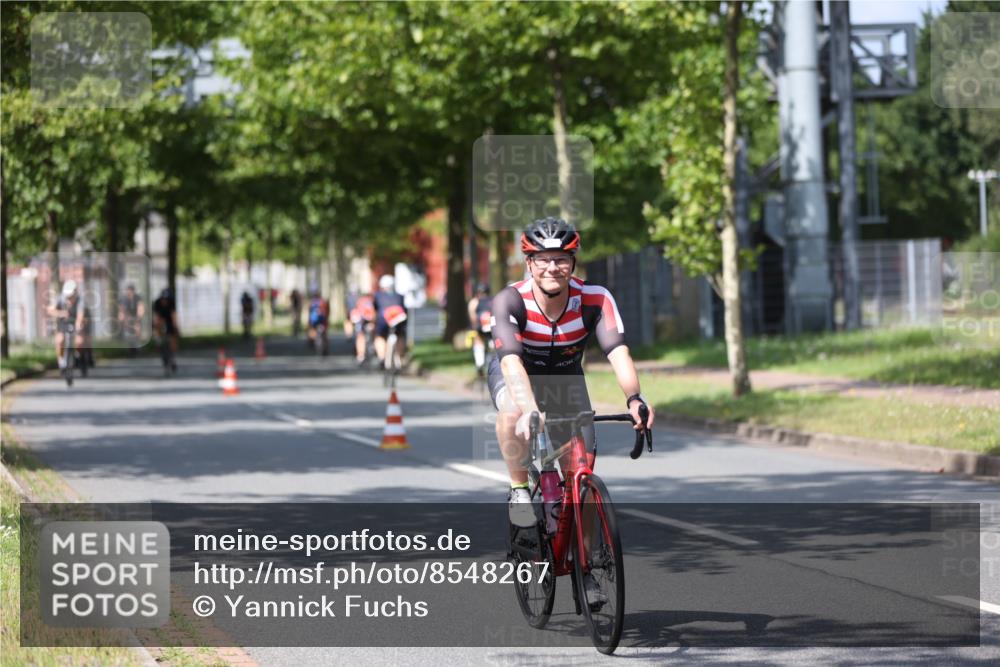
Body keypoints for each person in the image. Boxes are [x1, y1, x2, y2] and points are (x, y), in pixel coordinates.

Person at [489, 218, 655, 603]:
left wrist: (634, 398)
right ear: (529, 264)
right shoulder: (510, 300)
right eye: (543, 260)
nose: (552, 268)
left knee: (580, 479)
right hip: (517, 374)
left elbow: (618, 352)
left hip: (566, 380)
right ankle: (518, 492)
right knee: (514, 411)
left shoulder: (595, 298)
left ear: (573, 262)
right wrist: (530, 407)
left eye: (561, 259)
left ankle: (586, 569)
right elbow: (512, 364)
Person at [47, 280, 85, 374]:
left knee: (79, 342)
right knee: (60, 341)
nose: (69, 298)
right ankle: (61, 362)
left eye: (71, 296)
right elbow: (50, 310)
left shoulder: (80, 300)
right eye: (68, 296)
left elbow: (80, 315)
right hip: (63, 324)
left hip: (75, 323)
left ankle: (78, 357)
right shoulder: (60, 298)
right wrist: (61, 313)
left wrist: (78, 324)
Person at [373, 274, 407, 366]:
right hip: (398, 320)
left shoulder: (378, 295)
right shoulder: (400, 296)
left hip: (383, 320)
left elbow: (375, 309)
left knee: (379, 337)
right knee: (400, 335)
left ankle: (382, 357)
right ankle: (400, 357)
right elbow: (405, 311)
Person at [467, 282, 494, 378]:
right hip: (491, 326)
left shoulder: (475, 301)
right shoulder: (493, 300)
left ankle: (480, 363)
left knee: (478, 341)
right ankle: (493, 359)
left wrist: (474, 326)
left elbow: (472, 315)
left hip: (480, 326)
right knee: (492, 342)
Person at [152, 287, 179, 372]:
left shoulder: (172, 302)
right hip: (160, 319)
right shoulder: (157, 303)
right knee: (157, 332)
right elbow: (156, 316)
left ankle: (173, 358)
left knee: (172, 337)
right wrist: (156, 327)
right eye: (163, 299)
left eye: (166, 299)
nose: (165, 301)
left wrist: (175, 326)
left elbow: (173, 315)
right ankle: (158, 343)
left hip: (169, 320)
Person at [350, 292, 376, 366]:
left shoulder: (359, 301)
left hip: (360, 322)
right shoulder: (371, 301)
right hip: (369, 321)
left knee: (360, 337)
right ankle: (372, 349)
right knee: (371, 335)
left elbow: (354, 314)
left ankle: (360, 356)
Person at [118, 283, 145, 356]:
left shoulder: (137, 298)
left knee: (137, 330)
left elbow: (141, 308)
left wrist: (138, 318)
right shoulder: (124, 298)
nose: (130, 292)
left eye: (131, 290)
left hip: (135, 316)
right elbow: (122, 309)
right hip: (127, 316)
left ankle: (138, 347)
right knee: (127, 331)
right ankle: (129, 348)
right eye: (128, 290)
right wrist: (124, 319)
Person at [307, 288, 329, 354]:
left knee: (313, 331)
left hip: (314, 321)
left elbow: (310, 312)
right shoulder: (323, 302)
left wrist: (309, 321)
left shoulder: (312, 302)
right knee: (324, 334)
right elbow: (327, 311)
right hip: (322, 320)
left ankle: (312, 342)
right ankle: (325, 347)